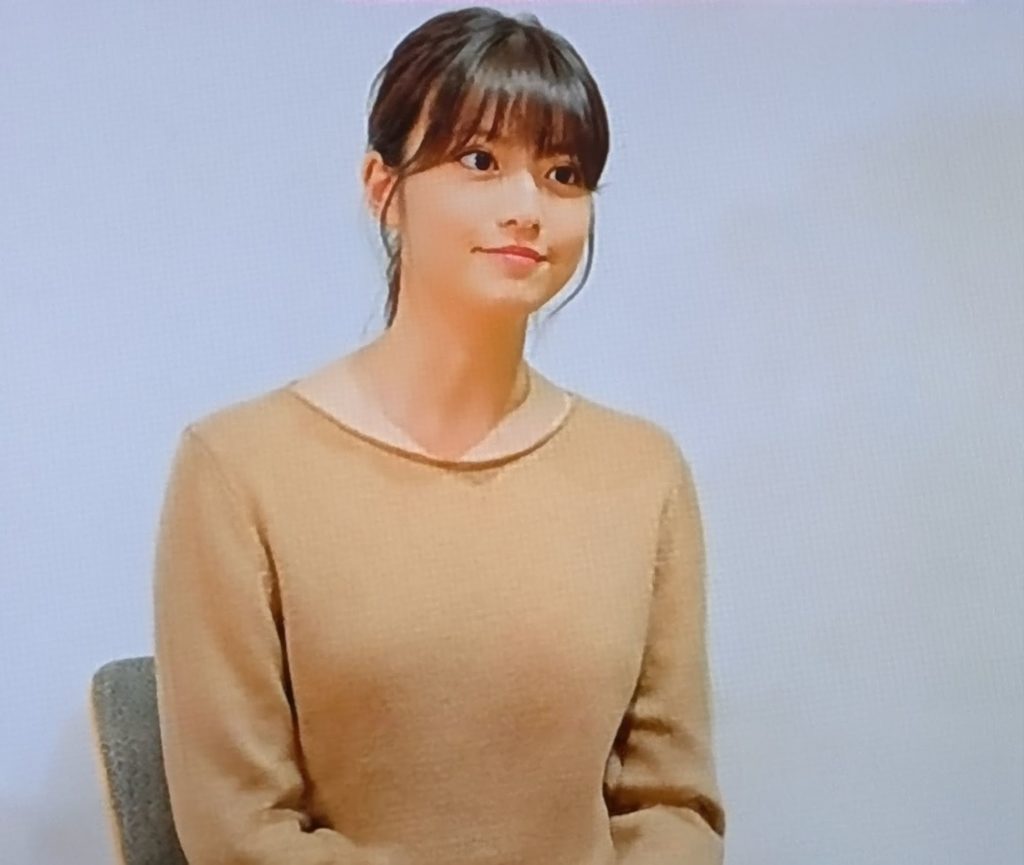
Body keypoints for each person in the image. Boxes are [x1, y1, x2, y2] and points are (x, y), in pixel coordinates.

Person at [151, 6, 727, 865]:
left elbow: (674, 803)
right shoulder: (237, 469)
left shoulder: (644, 472)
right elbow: (240, 832)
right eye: (480, 161)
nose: (527, 207)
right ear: (383, 188)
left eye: (563, 173)